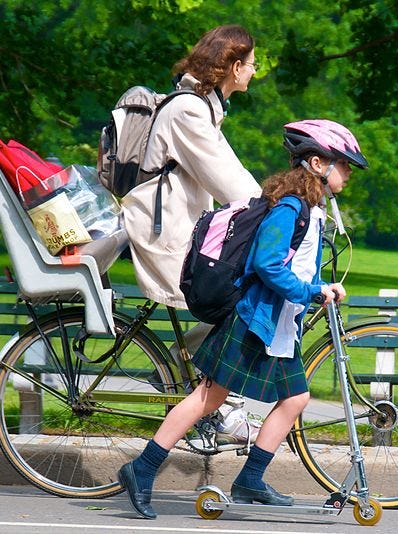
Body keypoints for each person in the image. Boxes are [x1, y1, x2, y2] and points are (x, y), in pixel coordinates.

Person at [117, 119, 369, 519]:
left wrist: (320, 287)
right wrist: (311, 292)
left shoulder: (310, 208)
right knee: (208, 398)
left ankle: (250, 479)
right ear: (318, 163)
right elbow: (268, 265)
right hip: (254, 320)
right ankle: (141, 469)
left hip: (278, 325)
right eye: (343, 163)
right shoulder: (290, 206)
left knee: (296, 398)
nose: (349, 171)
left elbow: (296, 265)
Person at [122, 25, 264, 443]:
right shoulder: (188, 110)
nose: (254, 72)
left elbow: (232, 170)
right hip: (166, 235)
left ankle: (181, 376)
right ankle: (212, 403)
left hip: (185, 231)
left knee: (235, 295)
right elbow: (230, 181)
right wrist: (276, 212)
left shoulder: (203, 107)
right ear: (234, 67)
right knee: (236, 298)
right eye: (252, 64)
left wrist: (274, 204)